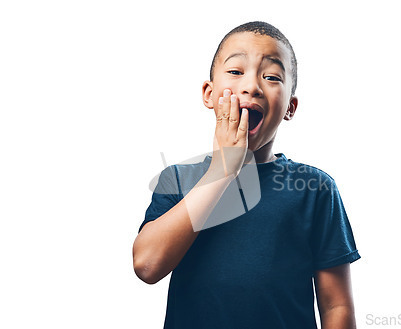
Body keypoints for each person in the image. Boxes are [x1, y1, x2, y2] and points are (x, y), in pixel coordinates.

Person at [133, 21, 361, 329]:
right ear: (209, 94)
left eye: (271, 77)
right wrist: (223, 170)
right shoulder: (177, 179)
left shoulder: (315, 188)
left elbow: (336, 305)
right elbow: (147, 266)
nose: (251, 86)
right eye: (236, 72)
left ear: (290, 107)